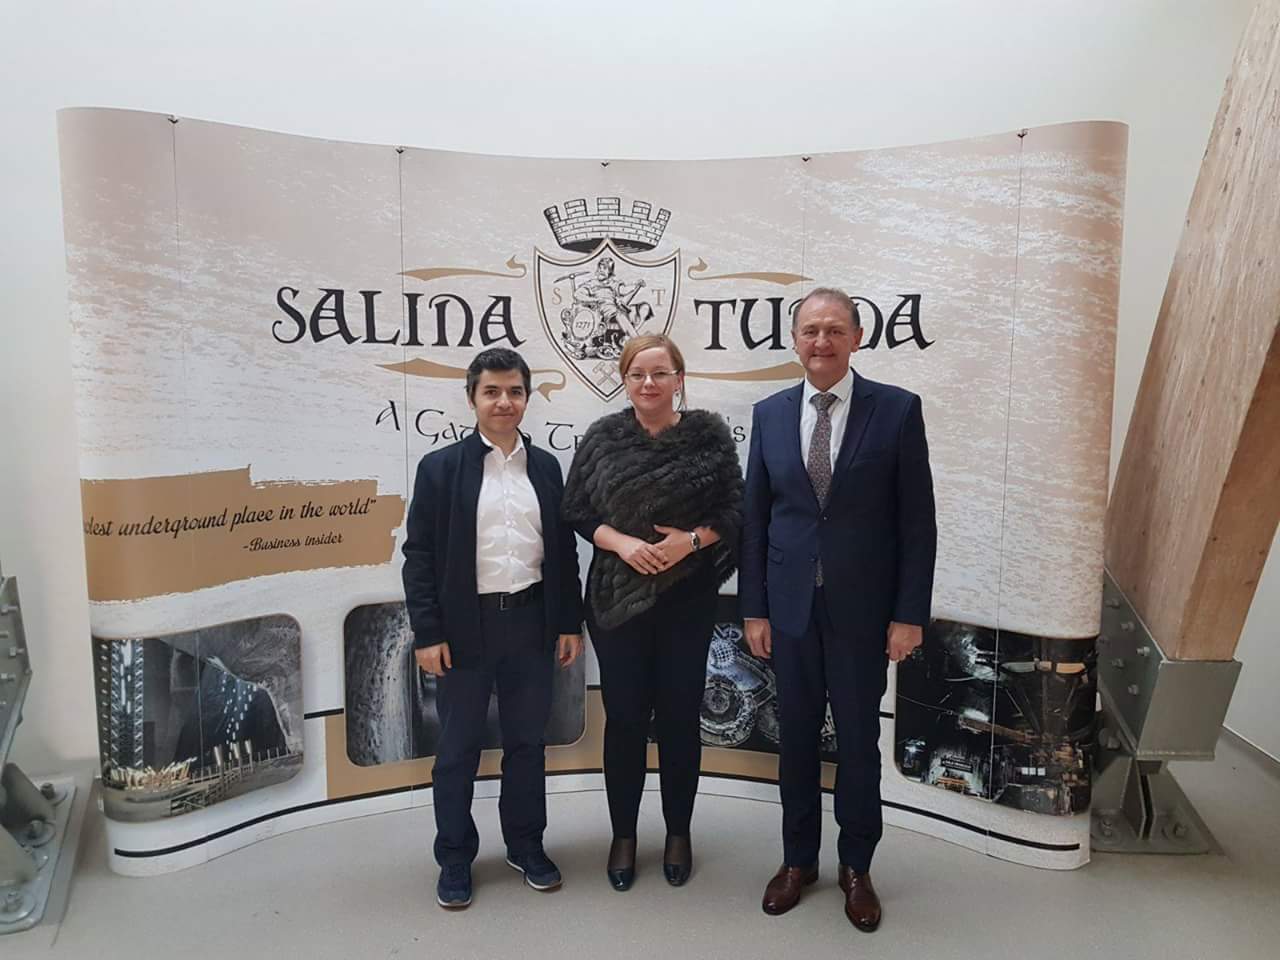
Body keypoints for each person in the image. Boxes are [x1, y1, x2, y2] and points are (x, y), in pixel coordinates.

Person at [739, 287, 936, 933]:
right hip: (789, 611)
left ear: (856, 337)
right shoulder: (769, 414)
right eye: (809, 330)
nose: (820, 341)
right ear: (794, 341)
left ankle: (857, 867)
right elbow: (756, 519)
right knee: (794, 740)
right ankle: (798, 861)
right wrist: (754, 609)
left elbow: (917, 522)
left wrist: (908, 614)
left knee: (856, 742)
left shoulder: (897, 410)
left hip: (863, 613)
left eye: (833, 330)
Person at [401, 346, 585, 910]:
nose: (504, 402)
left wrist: (568, 622)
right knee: (457, 749)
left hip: (531, 623)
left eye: (515, 392)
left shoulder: (546, 468)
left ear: (527, 398)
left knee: (527, 745)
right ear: (472, 399)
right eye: (492, 392)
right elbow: (419, 556)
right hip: (465, 630)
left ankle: (526, 846)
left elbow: (564, 552)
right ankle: (455, 857)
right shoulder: (440, 469)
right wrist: (428, 633)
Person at [562, 334, 743, 891]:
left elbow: (736, 509)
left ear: (678, 379)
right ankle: (623, 835)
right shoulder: (603, 439)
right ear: (624, 380)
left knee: (680, 718)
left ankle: (678, 833)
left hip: (687, 600)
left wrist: (691, 541)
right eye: (638, 373)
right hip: (618, 602)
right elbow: (576, 509)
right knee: (624, 720)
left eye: (660, 373)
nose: (649, 383)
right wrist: (620, 543)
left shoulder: (709, 438)